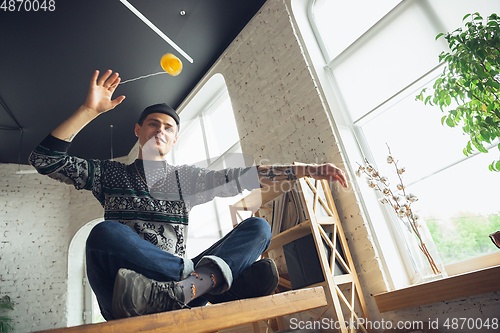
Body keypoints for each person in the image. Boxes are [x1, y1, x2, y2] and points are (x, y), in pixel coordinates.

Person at [29, 70, 348, 321]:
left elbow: (241, 177)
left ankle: (185, 288)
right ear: (138, 131)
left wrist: (302, 169)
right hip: (125, 295)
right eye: (153, 124)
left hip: (179, 290)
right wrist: (88, 110)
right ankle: (196, 284)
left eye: (168, 128)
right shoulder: (111, 175)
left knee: (259, 232)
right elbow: (45, 160)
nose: (160, 131)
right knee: (103, 233)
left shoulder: (186, 180)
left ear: (175, 139)